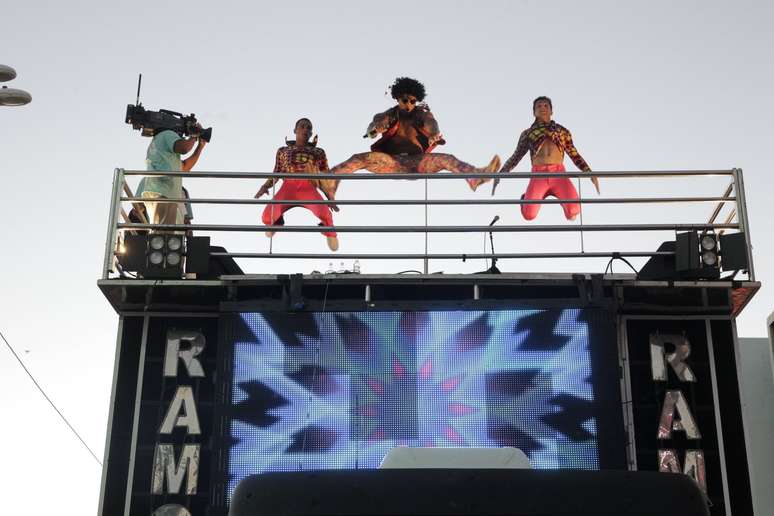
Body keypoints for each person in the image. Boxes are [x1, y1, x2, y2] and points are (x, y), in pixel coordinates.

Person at [322, 77, 500, 200]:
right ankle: (329, 181)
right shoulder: (387, 115)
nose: (409, 104)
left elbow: (433, 125)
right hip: (391, 162)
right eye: (405, 100)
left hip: (416, 163)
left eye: (413, 101)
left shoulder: (422, 114)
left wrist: (432, 131)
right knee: (359, 158)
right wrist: (374, 129)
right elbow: (372, 127)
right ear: (398, 98)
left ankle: (475, 178)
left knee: (448, 159)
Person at [493, 96, 599, 221]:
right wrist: (501, 173)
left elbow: (573, 153)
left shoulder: (562, 131)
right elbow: (516, 156)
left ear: (551, 111)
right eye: (539, 106)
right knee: (529, 215)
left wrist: (588, 172)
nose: (542, 108)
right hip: (538, 175)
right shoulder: (527, 133)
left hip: (559, 174)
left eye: (546, 106)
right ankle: (525, 199)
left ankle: (561, 197)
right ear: (534, 112)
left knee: (573, 212)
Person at [255, 118, 339, 251]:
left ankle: (329, 232)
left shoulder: (319, 152)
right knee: (266, 217)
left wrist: (330, 196)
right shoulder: (283, 150)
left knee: (327, 215)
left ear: (311, 134)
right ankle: (276, 223)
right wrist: (265, 186)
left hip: (309, 186)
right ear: (295, 130)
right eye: (302, 126)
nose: (306, 129)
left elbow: (325, 174)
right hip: (288, 186)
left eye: (309, 128)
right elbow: (277, 171)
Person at [136, 126, 206, 230]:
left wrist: (200, 146)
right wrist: (194, 135)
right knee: (165, 237)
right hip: (163, 194)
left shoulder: (166, 154)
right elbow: (184, 148)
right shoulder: (167, 134)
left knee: (168, 238)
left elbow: (185, 167)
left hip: (167, 196)